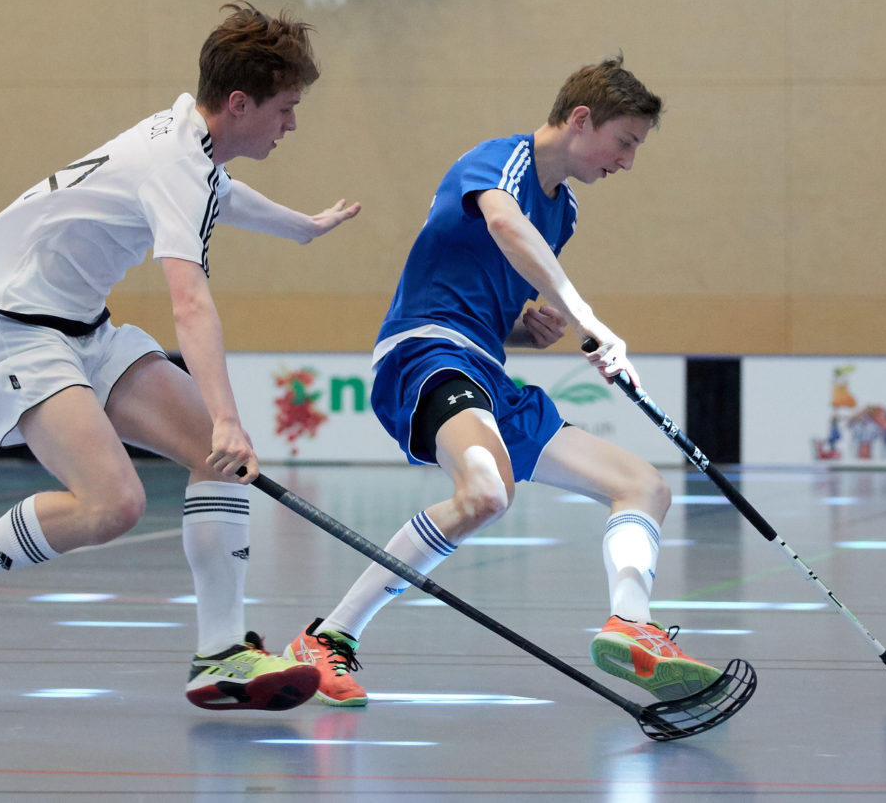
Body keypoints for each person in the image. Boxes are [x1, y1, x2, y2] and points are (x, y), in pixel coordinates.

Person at [0, 2, 360, 713]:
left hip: (84, 329)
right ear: (238, 103)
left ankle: (220, 654)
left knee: (212, 454)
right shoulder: (175, 162)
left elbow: (220, 193)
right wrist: (227, 413)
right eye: (285, 109)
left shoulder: (190, 147)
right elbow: (189, 302)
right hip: (17, 333)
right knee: (114, 503)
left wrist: (302, 229)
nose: (291, 124)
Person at [285, 56, 723, 708]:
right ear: (581, 119)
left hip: (486, 369)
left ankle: (632, 625)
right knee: (488, 491)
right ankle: (329, 636)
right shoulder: (499, 161)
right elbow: (503, 224)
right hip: (426, 353)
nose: (628, 161)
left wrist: (527, 330)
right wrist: (587, 317)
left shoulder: (564, 212)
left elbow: (491, 292)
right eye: (625, 141)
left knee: (644, 485)